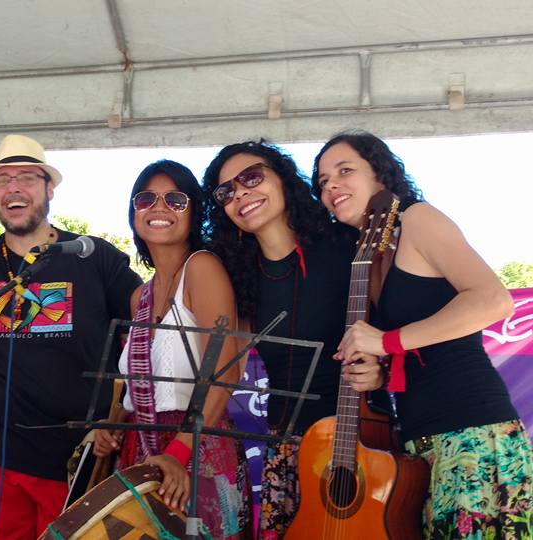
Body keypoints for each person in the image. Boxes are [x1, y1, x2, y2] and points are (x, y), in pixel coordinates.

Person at [312, 131, 533, 539]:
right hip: (418, 445)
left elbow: (493, 300)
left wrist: (386, 342)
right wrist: (380, 372)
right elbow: (417, 346)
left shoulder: (418, 219)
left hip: (472, 432)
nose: (331, 187)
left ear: (380, 174)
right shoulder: (371, 253)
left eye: (345, 171)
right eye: (323, 181)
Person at [0, 134, 142, 538]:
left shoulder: (92, 256)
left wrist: (119, 416)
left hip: (76, 464)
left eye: (27, 178)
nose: (13, 188)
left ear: (50, 189)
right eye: (2, 180)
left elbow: (149, 328)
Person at [201, 141, 386, 539]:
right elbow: (220, 361)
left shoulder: (346, 242)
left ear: (283, 179)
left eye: (252, 178)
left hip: (364, 444)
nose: (240, 193)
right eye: (226, 191)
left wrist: (382, 365)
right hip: (286, 451)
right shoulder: (235, 275)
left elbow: (399, 322)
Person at [92, 160, 252, 537]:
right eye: (145, 199)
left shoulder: (202, 268)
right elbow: (140, 391)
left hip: (196, 449)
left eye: (176, 200)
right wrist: (111, 427)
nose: (159, 207)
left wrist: (179, 452)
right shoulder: (139, 297)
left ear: (194, 214)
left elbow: (225, 371)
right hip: (140, 452)